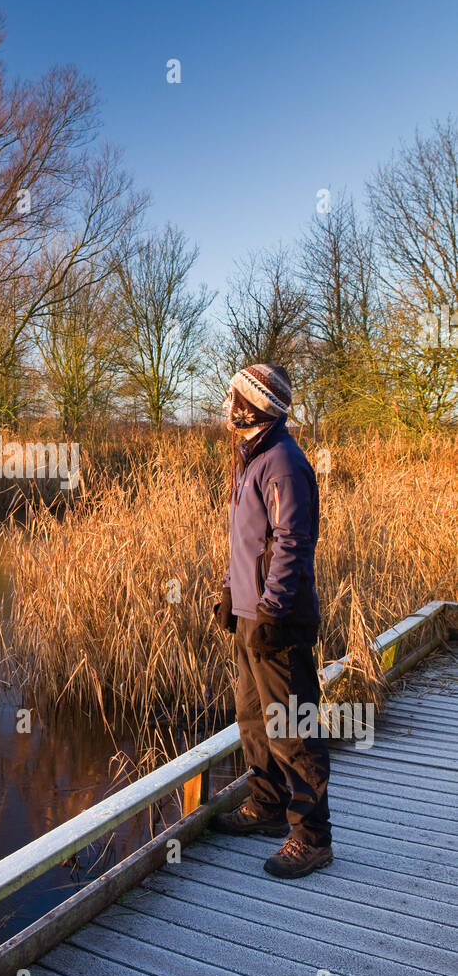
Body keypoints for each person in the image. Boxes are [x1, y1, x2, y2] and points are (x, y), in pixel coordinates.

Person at [211, 363, 332, 878]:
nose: (225, 404)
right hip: (249, 614)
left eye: (234, 395)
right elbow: (246, 541)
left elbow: (291, 544)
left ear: (254, 405)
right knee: (253, 718)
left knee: (292, 728)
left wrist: (270, 609)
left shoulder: (282, 461)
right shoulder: (252, 457)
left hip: (276, 620)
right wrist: (228, 590)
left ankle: (312, 838)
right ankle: (265, 805)